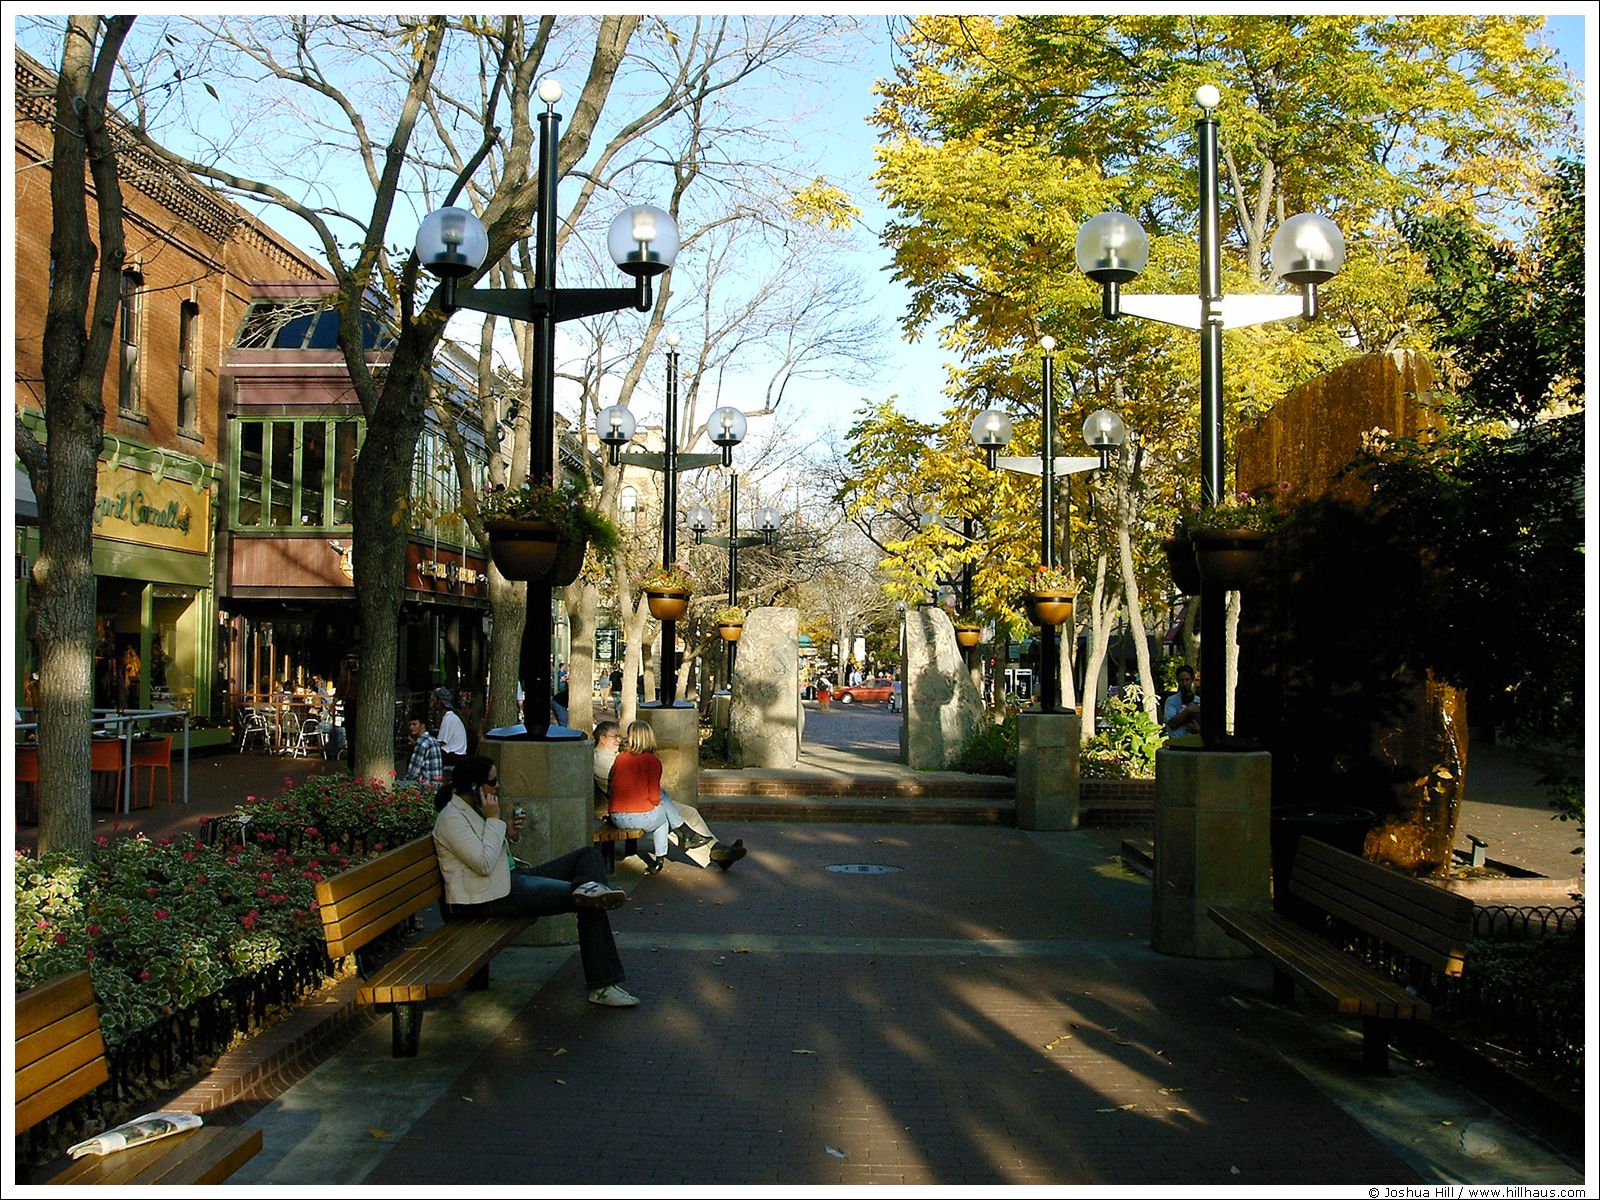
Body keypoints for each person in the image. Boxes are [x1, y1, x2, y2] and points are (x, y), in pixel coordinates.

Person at [432, 757, 637, 1007]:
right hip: (488, 896)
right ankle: (603, 985)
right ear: (475, 786)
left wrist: (507, 831)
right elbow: (483, 863)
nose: (497, 787)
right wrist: (495, 821)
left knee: (587, 856)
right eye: (493, 782)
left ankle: (590, 887)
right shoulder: (451, 818)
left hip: (508, 880)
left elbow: (486, 850)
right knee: (588, 901)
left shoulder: (473, 810)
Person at [593, 721, 746, 871]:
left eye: (620, 736)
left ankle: (716, 849)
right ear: (602, 738)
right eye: (615, 736)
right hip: (635, 805)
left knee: (689, 812)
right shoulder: (604, 760)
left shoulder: (617, 757)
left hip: (635, 803)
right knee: (670, 814)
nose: (619, 740)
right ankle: (710, 850)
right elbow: (628, 785)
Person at [404, 715, 444, 790]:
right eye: (410, 725)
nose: (411, 727)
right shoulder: (432, 740)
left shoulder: (421, 742)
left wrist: (406, 780)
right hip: (437, 784)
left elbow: (413, 772)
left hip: (426, 786)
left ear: (422, 726)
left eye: (414, 724)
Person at [1162, 664, 1202, 737]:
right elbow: (1171, 725)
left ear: (1192, 680)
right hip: (1177, 743)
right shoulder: (1171, 701)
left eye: (1187, 680)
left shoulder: (1199, 700)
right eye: (1181, 680)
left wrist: (1198, 729)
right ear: (1177, 681)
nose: (1184, 683)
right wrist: (1188, 710)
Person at [433, 686, 468, 763]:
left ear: (439, 702)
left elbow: (440, 743)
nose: (433, 702)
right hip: (456, 754)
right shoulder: (450, 717)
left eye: (434, 699)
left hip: (454, 755)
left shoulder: (448, 719)